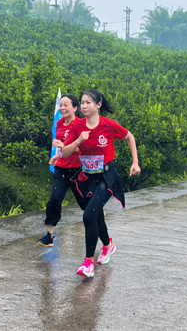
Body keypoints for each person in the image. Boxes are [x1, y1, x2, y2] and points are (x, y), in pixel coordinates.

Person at [61, 89, 141, 278]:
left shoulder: (108, 125)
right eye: (82, 102)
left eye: (88, 102)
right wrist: (79, 140)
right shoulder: (77, 126)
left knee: (89, 216)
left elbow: (130, 136)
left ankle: (88, 262)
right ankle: (108, 245)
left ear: (98, 105)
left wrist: (135, 162)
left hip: (107, 177)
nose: (84, 106)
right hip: (87, 178)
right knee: (96, 216)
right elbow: (64, 153)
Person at [37, 94, 86, 248]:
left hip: (78, 170)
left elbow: (83, 149)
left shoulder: (81, 125)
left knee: (86, 204)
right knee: (54, 200)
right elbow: (61, 146)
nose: (63, 108)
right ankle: (49, 235)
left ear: (75, 108)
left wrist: (64, 146)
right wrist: (57, 156)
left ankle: (98, 225)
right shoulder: (59, 123)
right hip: (61, 168)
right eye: (61, 105)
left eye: (66, 105)